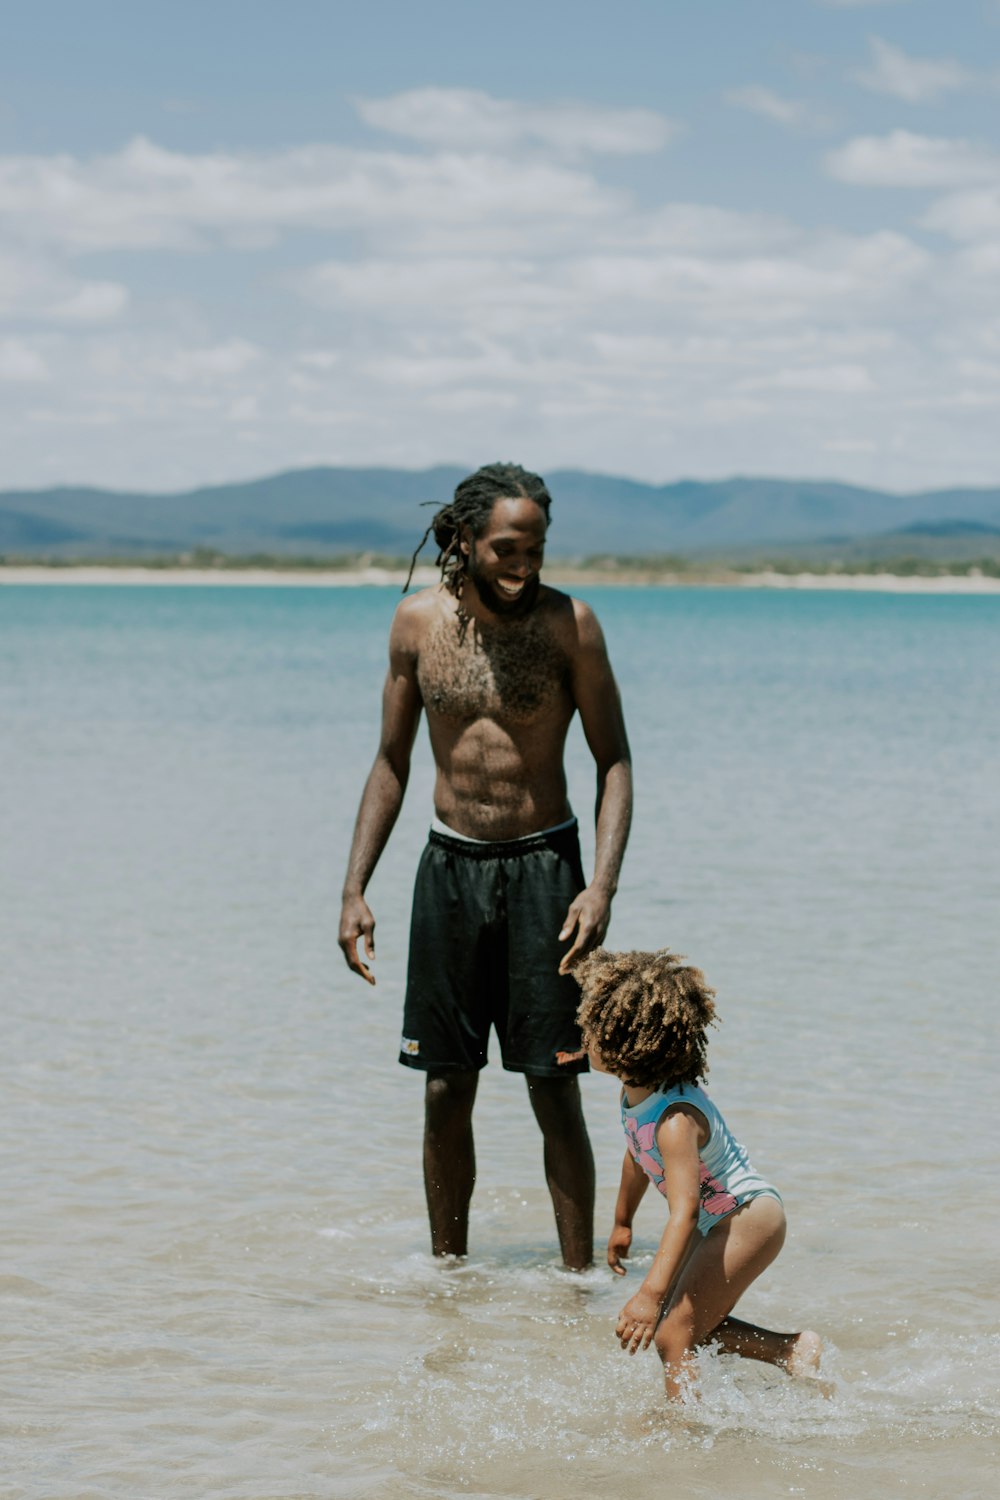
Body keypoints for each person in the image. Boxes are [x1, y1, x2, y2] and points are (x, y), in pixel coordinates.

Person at [338, 462, 633, 1270]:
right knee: (444, 1085)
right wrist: (355, 887)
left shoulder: (572, 624)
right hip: (450, 870)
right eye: (506, 548)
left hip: (548, 872)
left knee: (554, 1084)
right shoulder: (413, 626)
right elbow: (391, 763)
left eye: (535, 548)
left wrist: (599, 886)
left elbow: (615, 762)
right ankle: (448, 1277)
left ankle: (579, 1286)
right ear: (463, 539)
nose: (523, 565)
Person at [574, 947, 823, 1400]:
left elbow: (684, 1211)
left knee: (671, 1332)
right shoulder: (637, 1097)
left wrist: (649, 1294)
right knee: (688, 1327)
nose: (583, 1034)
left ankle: (684, 1431)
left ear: (626, 1043)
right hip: (720, 1218)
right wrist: (622, 1220)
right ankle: (789, 1351)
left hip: (746, 1217)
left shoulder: (675, 1119)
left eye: (593, 1028)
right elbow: (636, 1156)